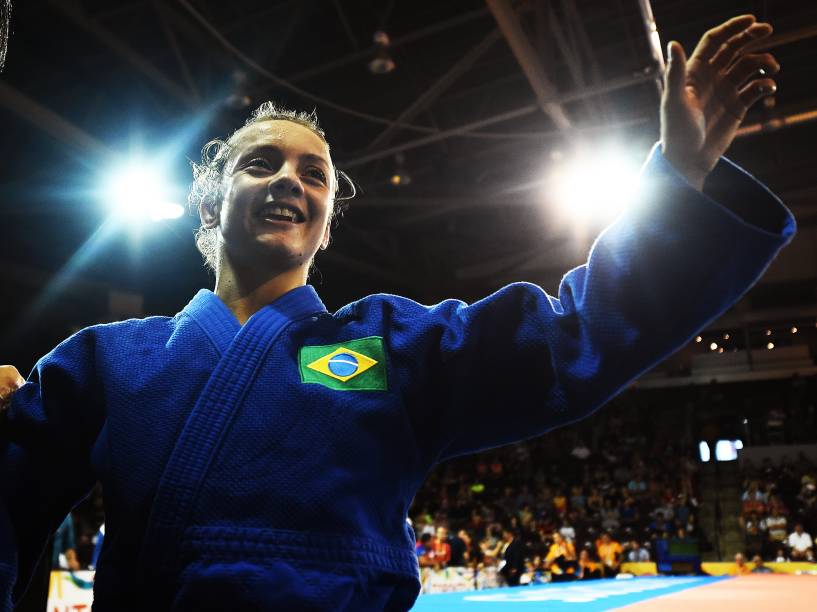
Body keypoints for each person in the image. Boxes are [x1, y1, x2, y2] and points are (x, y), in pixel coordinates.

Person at [0, 14, 793, 612]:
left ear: (327, 220)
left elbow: (571, 335)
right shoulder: (106, 361)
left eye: (314, 174)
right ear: (209, 205)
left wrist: (677, 178)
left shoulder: (390, 343)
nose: (291, 182)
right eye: (261, 163)